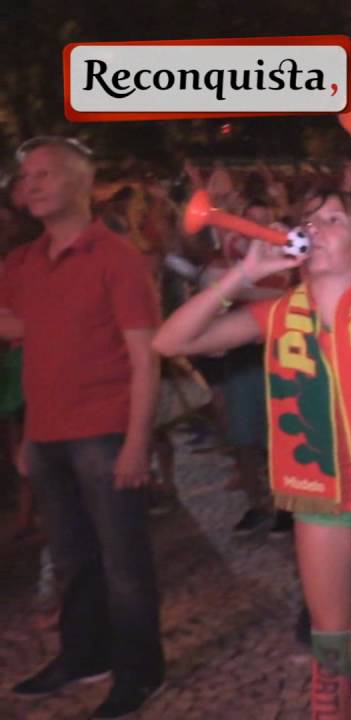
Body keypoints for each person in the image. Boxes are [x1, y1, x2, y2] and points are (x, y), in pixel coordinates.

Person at [152, 74, 351, 719]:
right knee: (333, 651)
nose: (315, 227)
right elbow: (170, 341)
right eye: (308, 220)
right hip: (316, 489)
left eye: (333, 219)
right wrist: (240, 273)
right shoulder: (276, 313)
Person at [3, 135, 166, 719]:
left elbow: (146, 355)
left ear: (80, 182)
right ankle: (83, 653)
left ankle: (140, 670)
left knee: (124, 562)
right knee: (71, 558)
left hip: (104, 431)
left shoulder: (113, 255)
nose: (32, 185)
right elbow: (23, 327)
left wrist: (137, 441)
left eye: (45, 174)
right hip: (47, 434)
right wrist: (27, 436)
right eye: (28, 178)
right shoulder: (24, 263)